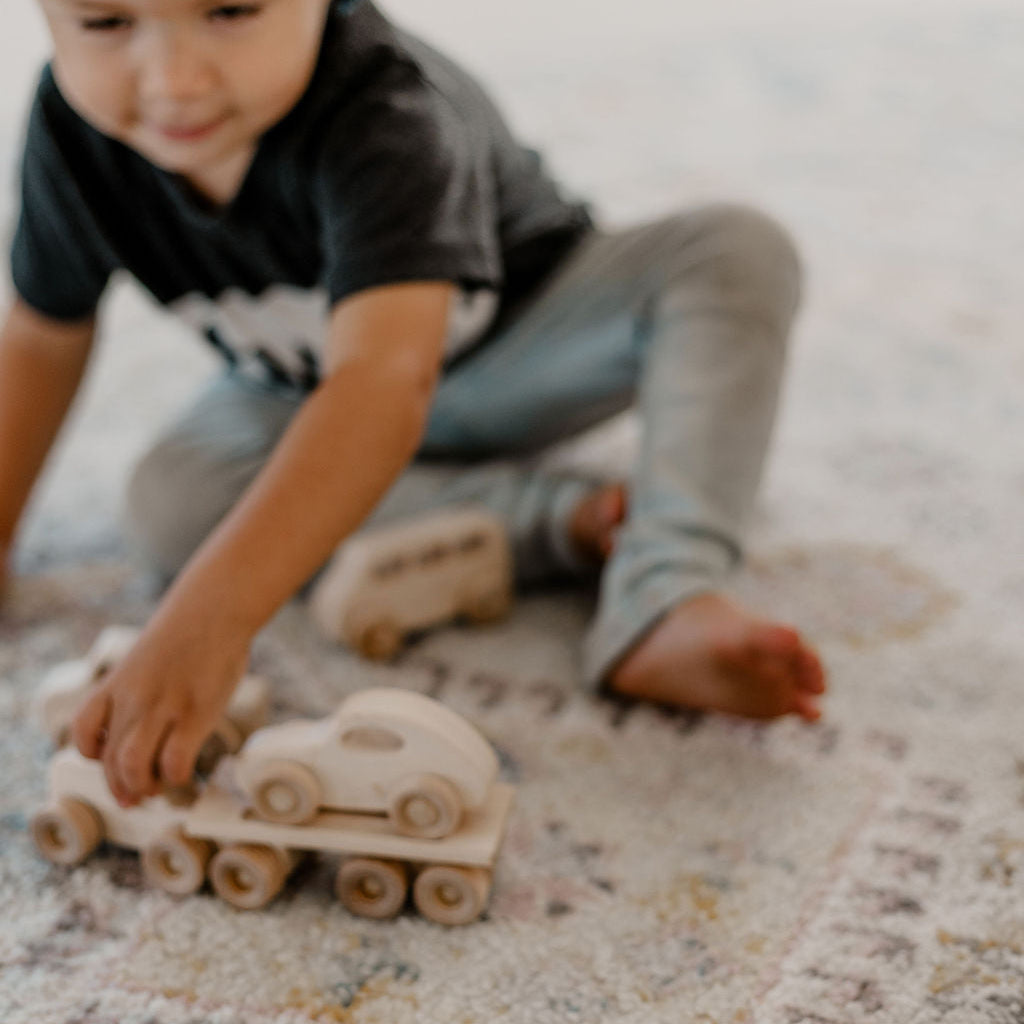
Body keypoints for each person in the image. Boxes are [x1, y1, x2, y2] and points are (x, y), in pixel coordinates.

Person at [0, 0, 825, 807]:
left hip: (518, 351)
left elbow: (383, 382)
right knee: (168, 499)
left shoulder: (389, 109)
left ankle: (667, 589)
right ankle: (562, 520)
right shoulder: (74, 138)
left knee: (735, 252)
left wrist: (213, 619)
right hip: (308, 393)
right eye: (106, 23)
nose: (174, 80)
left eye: (231, 11)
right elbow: (41, 340)